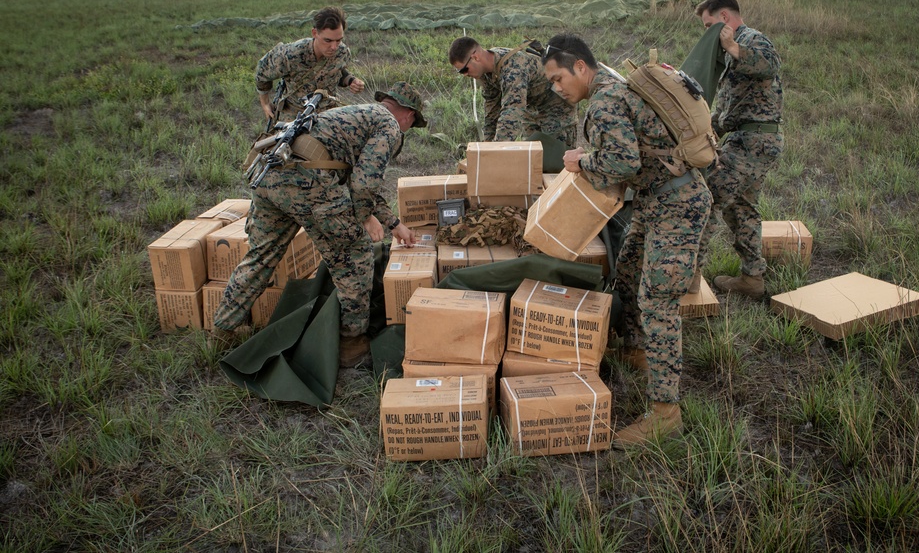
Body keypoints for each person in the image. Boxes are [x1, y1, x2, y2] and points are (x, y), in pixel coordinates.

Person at [541, 34, 711, 446]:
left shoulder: (603, 100)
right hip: (656, 201)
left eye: (559, 78)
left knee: (658, 301)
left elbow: (623, 161)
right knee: (629, 270)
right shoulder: (612, 84)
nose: (556, 88)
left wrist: (582, 160)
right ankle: (637, 351)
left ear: (581, 67)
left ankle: (666, 413)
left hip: (678, 205)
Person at [215, 82, 428, 368]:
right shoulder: (389, 126)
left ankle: (222, 330)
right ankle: (351, 344)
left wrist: (393, 223)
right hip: (307, 184)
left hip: (269, 175)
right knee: (355, 258)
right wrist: (365, 217)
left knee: (261, 256)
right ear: (409, 115)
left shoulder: (353, 113)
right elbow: (364, 185)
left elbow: (354, 177)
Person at [694, 0, 784, 300]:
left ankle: (688, 278)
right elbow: (731, 109)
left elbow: (770, 64)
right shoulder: (731, 50)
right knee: (741, 208)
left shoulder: (751, 39)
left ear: (724, 19)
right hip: (749, 139)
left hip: (754, 142)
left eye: (709, 27)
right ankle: (752, 279)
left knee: (705, 198)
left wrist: (732, 45)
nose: (707, 34)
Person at [448, 36, 578, 148]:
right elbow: (492, 112)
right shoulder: (485, 73)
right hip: (532, 108)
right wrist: (487, 146)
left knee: (558, 159)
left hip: (556, 106)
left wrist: (496, 150)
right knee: (534, 157)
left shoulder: (513, 68)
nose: (464, 75)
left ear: (475, 57)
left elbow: (512, 111)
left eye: (464, 70)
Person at [256, 6, 366, 124]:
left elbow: (338, 73)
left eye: (338, 40)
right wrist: (265, 103)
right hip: (296, 113)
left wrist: (351, 81)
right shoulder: (291, 54)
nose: (334, 47)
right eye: (328, 41)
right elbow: (262, 71)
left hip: (328, 113)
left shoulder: (342, 52)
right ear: (315, 33)